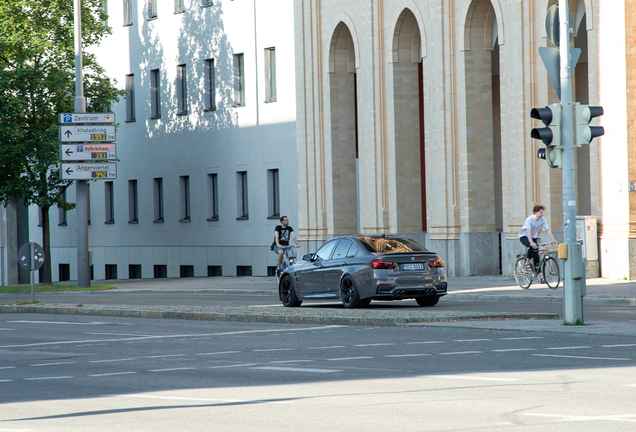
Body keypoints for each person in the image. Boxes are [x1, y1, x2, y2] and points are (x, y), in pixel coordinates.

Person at [518, 204, 557, 283]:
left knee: (537, 257)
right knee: (532, 247)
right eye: (541, 212)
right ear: (536, 212)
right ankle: (527, 263)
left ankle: (541, 278)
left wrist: (553, 239)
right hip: (524, 237)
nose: (542, 214)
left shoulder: (542, 220)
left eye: (543, 212)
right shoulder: (529, 219)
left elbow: (547, 230)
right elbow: (528, 231)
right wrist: (531, 243)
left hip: (534, 237)